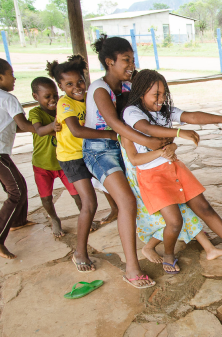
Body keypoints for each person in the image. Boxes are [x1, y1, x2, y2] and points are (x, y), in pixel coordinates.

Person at [121, 69, 222, 273]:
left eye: (163, 93)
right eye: (155, 95)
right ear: (141, 93)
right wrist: (178, 133)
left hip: (174, 168)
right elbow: (146, 129)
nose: (161, 99)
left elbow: (192, 116)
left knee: (204, 208)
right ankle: (168, 254)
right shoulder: (132, 112)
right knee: (174, 222)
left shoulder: (164, 110)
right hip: (152, 177)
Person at [84, 35, 172, 288]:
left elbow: (143, 109)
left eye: (133, 59)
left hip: (124, 146)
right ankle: (131, 268)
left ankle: (153, 243)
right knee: (126, 201)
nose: (131, 64)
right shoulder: (99, 88)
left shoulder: (125, 87)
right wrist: (154, 142)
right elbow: (115, 124)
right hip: (100, 151)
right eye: (126, 60)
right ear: (109, 61)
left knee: (152, 191)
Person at [47, 55, 116, 272]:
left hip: (88, 151)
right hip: (72, 157)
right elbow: (76, 130)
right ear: (60, 86)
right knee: (89, 204)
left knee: (114, 183)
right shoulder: (65, 102)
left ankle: (115, 211)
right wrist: (110, 135)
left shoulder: (87, 97)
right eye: (69, 84)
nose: (76, 87)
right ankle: (80, 253)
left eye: (79, 82)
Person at [29, 77, 86, 238]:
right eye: (47, 96)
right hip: (42, 165)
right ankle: (54, 219)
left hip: (63, 163)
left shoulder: (62, 107)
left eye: (55, 95)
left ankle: (85, 216)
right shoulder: (36, 112)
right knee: (46, 197)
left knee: (77, 194)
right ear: (35, 97)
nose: (53, 99)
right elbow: (39, 130)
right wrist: (52, 126)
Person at [0, 58, 37, 259]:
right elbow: (23, 124)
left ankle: (17, 222)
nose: (14, 79)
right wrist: (47, 129)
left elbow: (12, 126)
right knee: (17, 191)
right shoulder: (8, 98)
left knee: (18, 185)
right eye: (11, 74)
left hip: (2, 153)